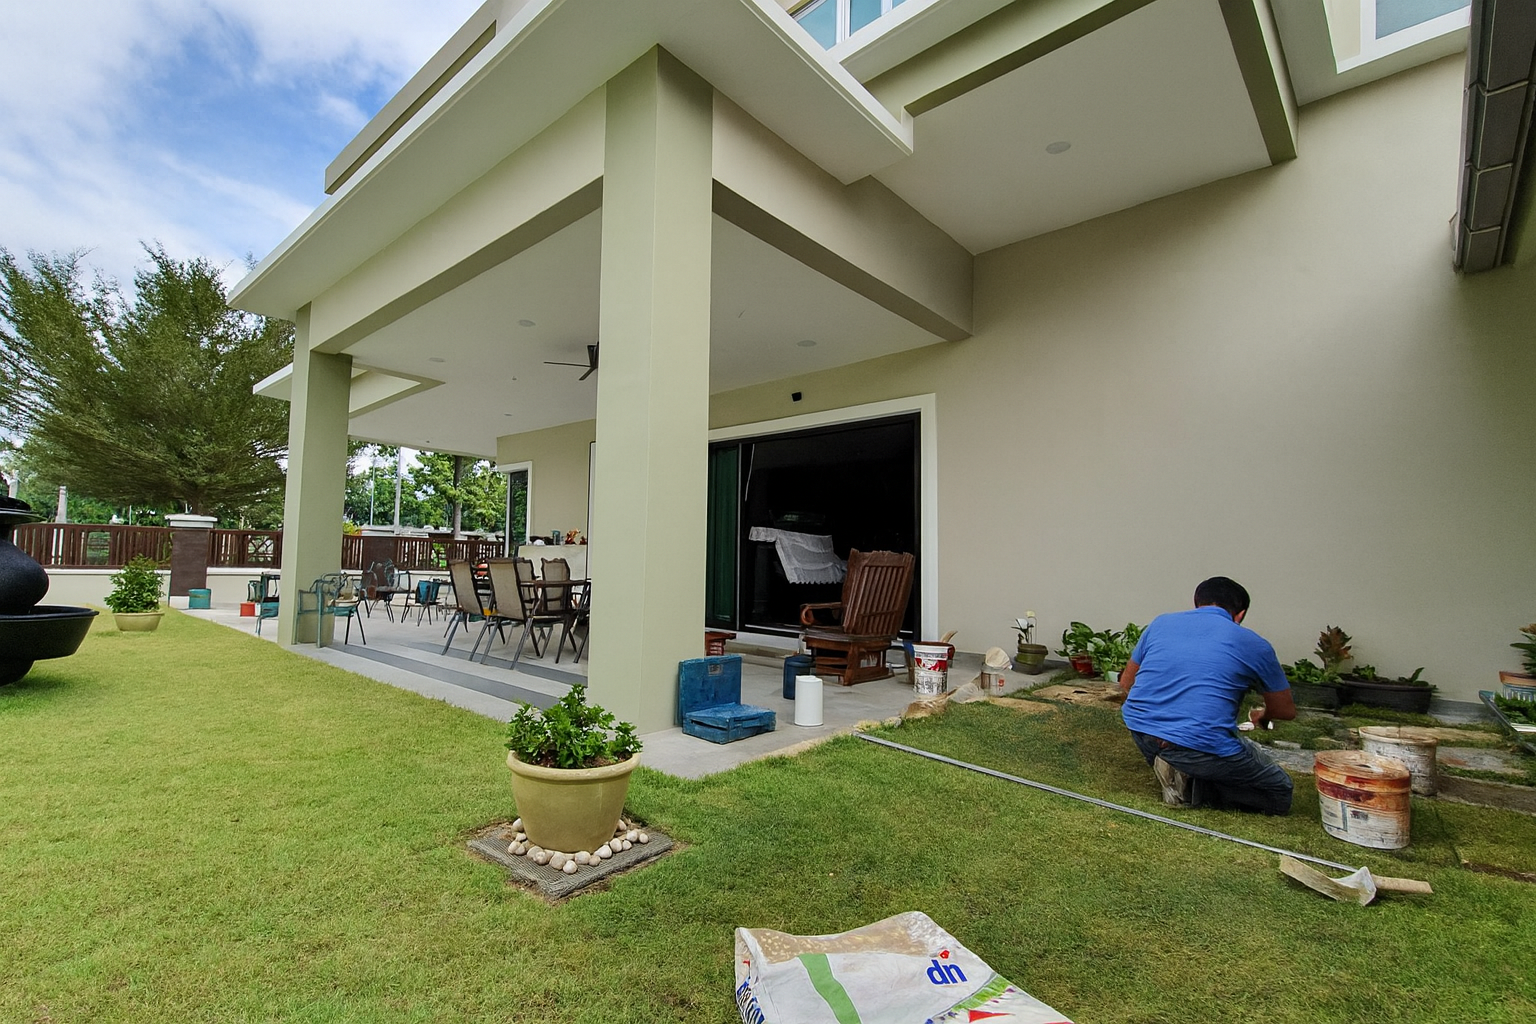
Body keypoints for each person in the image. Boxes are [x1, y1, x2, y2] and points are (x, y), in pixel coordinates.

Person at [1118, 576, 1295, 815]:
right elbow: (1285, 711)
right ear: (1240, 614)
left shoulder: (1161, 624)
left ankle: (1179, 766)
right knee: (1279, 789)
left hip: (1141, 731)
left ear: (1196, 602)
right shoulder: (1254, 644)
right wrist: (1262, 717)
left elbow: (1126, 683)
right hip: (1200, 743)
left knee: (1226, 751)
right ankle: (1194, 787)